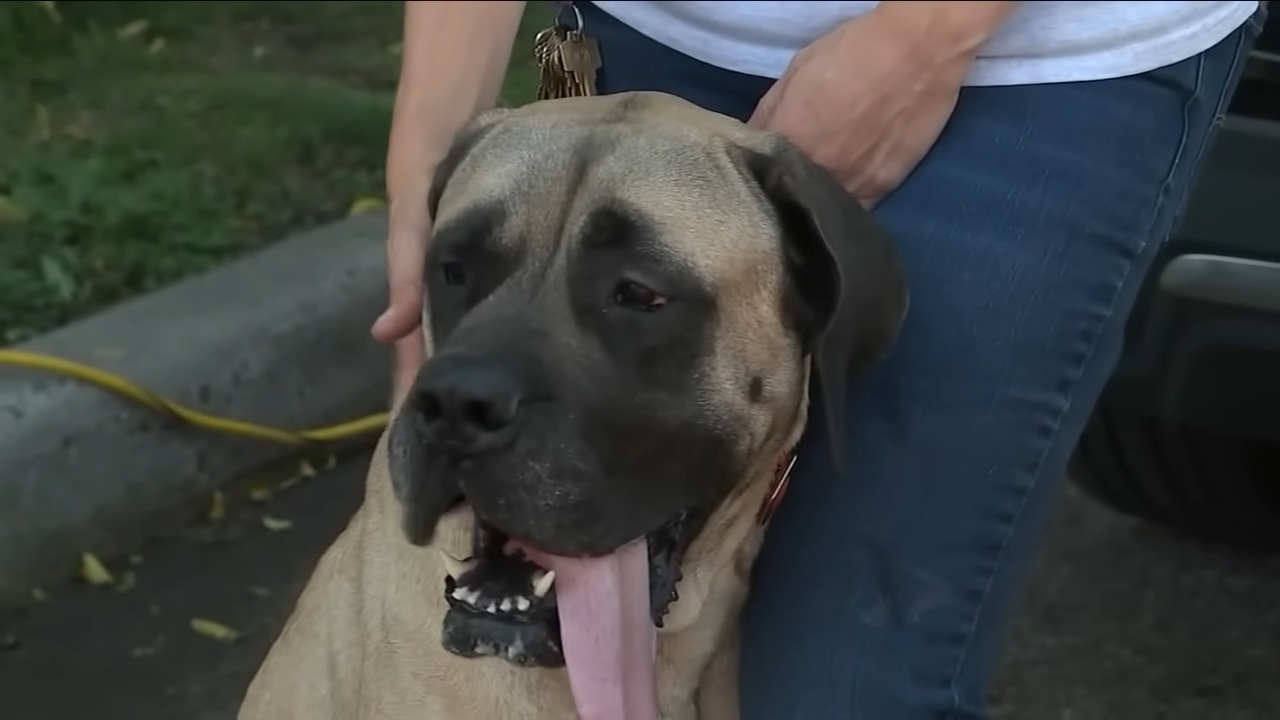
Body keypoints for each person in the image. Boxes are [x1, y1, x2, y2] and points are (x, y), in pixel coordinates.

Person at [373, 1, 1265, 717]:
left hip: (1029, 63)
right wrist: (426, 174)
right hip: (658, 32)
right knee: (526, 645)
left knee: (841, 684)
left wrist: (928, 31)